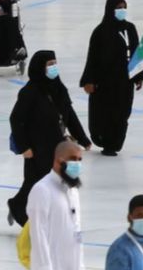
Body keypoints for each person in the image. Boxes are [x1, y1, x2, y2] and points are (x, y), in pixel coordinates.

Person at [8, 141, 89, 270]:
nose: (77, 164)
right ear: (58, 160)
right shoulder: (42, 190)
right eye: (72, 159)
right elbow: (39, 234)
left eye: (79, 160)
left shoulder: (72, 191)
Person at [7, 50, 91, 226]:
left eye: (55, 63)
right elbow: (16, 119)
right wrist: (24, 147)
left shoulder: (59, 89)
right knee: (34, 183)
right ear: (40, 67)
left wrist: (82, 138)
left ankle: (26, 209)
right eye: (49, 64)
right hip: (36, 147)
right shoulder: (29, 92)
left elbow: (70, 115)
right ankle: (22, 212)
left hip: (57, 146)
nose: (53, 67)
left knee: (52, 182)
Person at [81, 0, 143, 156]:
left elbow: (136, 52)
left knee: (122, 113)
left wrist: (139, 76)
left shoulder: (130, 29)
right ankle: (106, 143)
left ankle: (115, 143)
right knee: (105, 113)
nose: (122, 11)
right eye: (118, 8)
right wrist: (89, 80)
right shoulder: (100, 32)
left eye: (124, 7)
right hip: (105, 83)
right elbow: (92, 57)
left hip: (125, 82)